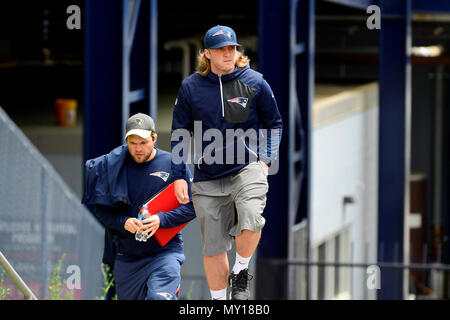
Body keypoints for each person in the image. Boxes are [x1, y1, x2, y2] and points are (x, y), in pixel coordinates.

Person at [170, 25, 283, 300]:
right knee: (213, 247)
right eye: (221, 49)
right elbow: (180, 132)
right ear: (207, 53)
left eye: (232, 48)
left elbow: (274, 123)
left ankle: (241, 273)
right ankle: (220, 302)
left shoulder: (255, 82)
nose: (228, 53)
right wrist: (178, 176)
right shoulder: (190, 87)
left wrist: (266, 159)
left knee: (252, 218)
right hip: (207, 176)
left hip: (248, 167)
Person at [82, 113, 196, 300]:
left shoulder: (173, 165)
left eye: (143, 143)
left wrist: (161, 219)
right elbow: (101, 211)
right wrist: (124, 222)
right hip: (127, 257)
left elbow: (194, 206)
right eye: (133, 143)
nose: (138, 149)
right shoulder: (113, 167)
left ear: (154, 138)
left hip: (164, 253)